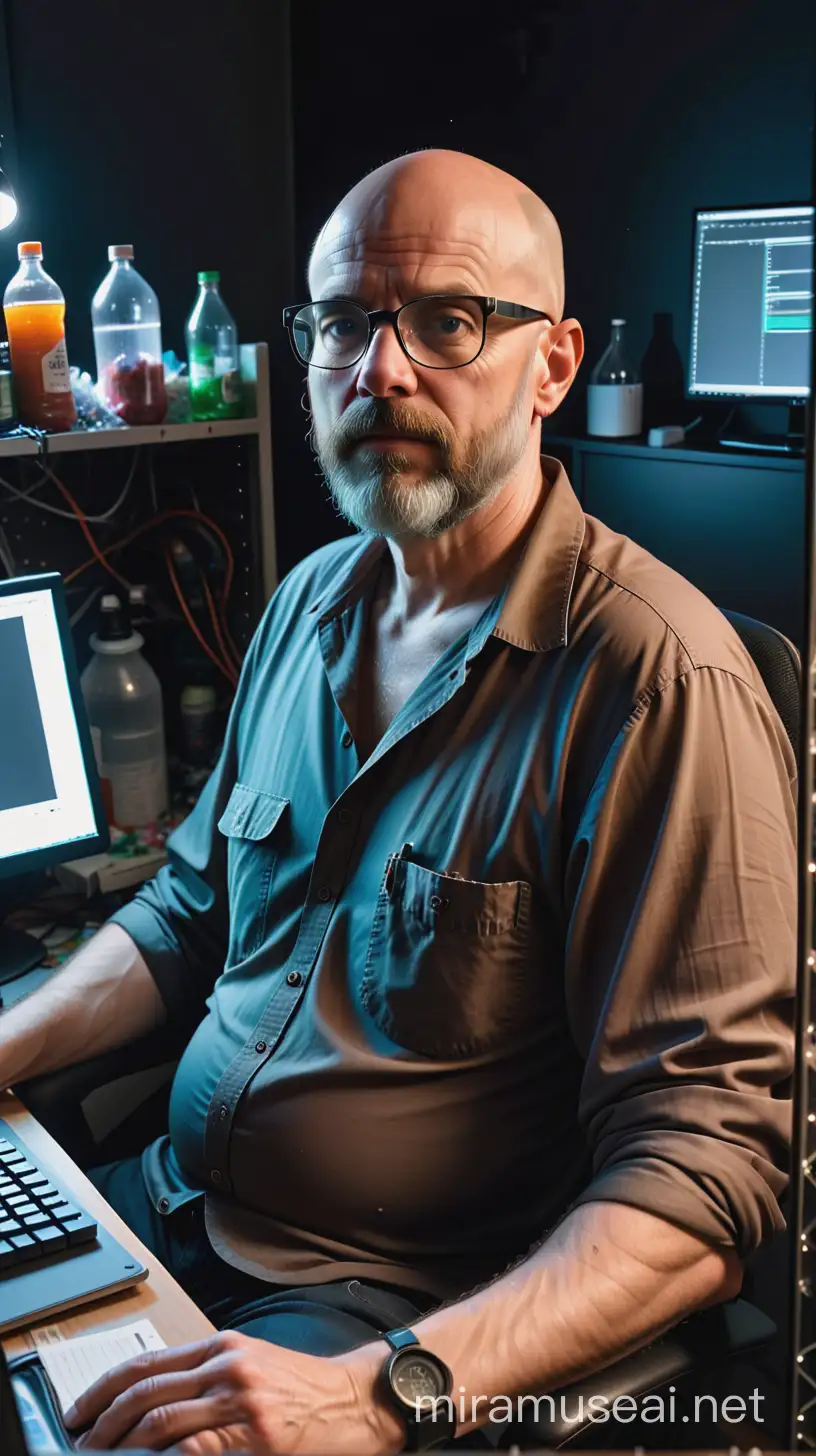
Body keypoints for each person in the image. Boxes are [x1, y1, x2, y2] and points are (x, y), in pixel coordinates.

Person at [0, 149, 796, 1454]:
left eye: (450, 320)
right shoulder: (311, 601)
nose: (381, 371)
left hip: (381, 1314)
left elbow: (707, 1182)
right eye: (344, 323)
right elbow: (190, 913)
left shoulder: (657, 682)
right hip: (172, 1206)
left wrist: (382, 1392)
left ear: (554, 364)